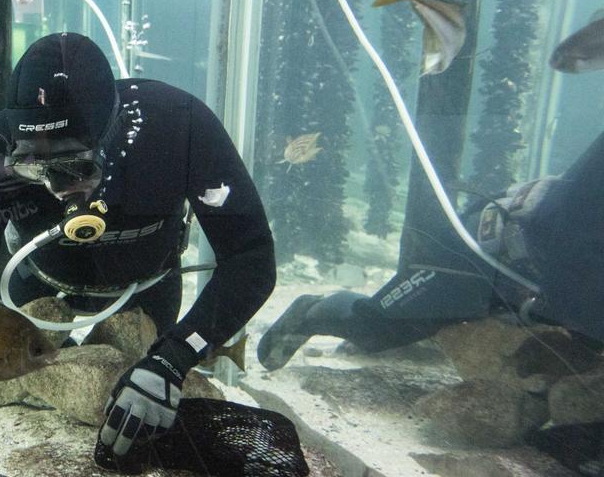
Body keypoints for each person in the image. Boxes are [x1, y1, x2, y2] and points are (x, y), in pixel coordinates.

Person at [0, 32, 277, 477]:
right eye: (34, 168)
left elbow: (251, 256)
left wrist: (171, 359)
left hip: (145, 286)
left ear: (112, 134)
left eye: (76, 167)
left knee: (135, 409)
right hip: (35, 286)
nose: (58, 190)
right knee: (12, 374)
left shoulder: (177, 127)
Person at [258, 129, 604, 371]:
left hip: (535, 278)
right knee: (377, 326)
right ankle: (311, 312)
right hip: (485, 254)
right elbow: (563, 228)